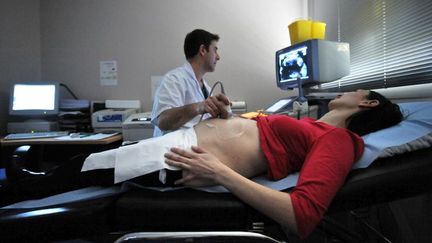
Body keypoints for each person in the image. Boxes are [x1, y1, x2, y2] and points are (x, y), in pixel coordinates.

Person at [2, 90, 403, 238]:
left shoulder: (339, 140)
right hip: (178, 144)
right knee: (67, 172)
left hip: (179, 158)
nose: (347, 89)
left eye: (358, 90)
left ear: (367, 102)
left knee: (57, 178)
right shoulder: (313, 125)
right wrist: (225, 118)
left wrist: (219, 173)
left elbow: (302, 216)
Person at [151, 29, 231, 137]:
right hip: (173, 149)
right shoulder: (174, 79)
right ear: (203, 50)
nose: (218, 57)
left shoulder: (205, 87)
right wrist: (199, 107)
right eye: (215, 50)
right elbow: (163, 121)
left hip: (195, 147)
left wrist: (223, 113)